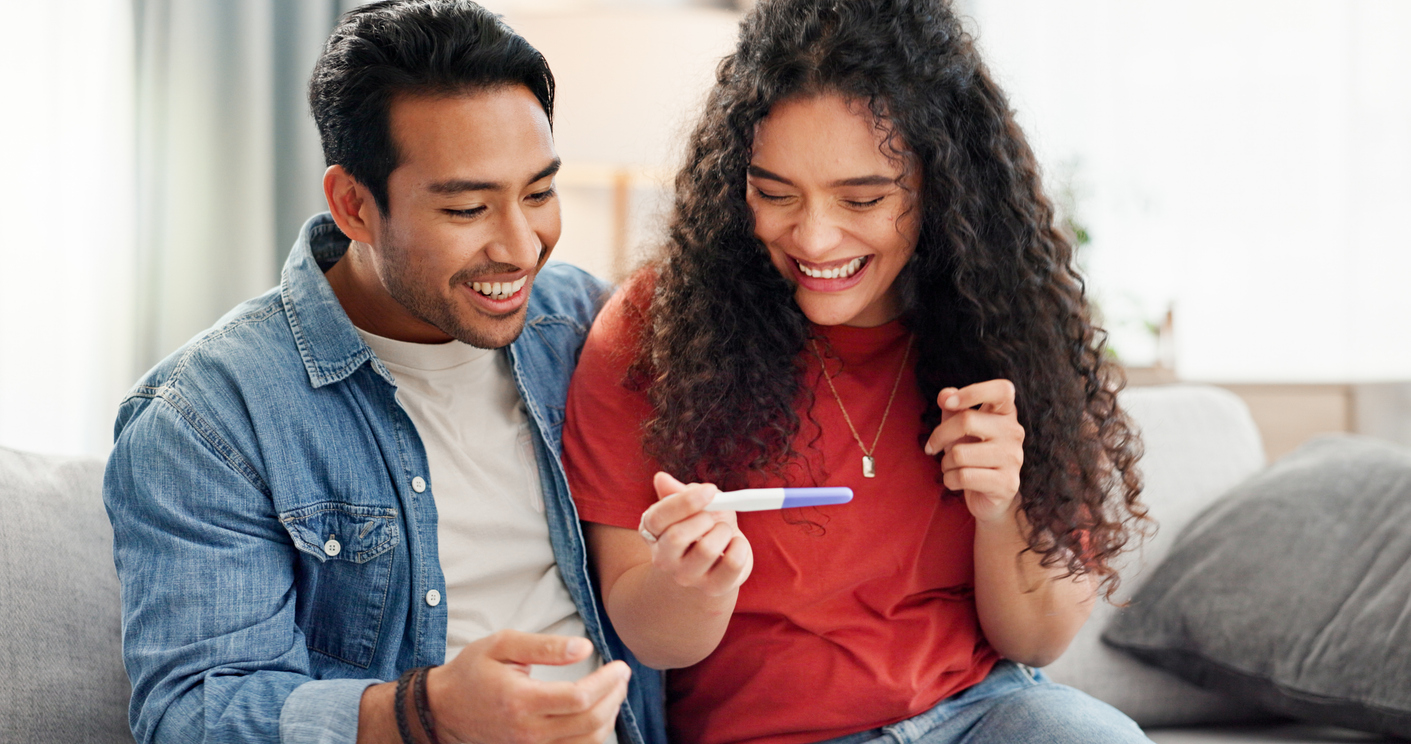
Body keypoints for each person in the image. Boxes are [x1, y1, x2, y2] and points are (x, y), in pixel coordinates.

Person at [562, 0, 1151, 742]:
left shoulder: (1010, 327)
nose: (812, 236)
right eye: (773, 193)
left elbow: (1035, 643)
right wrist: (688, 584)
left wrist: (1000, 510)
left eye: (862, 198)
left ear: (940, 185)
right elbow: (653, 639)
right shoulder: (660, 329)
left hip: (981, 714)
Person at [102, 2, 665, 743]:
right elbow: (191, 714)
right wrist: (421, 715)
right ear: (353, 206)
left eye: (538, 193)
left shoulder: (589, 329)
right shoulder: (204, 418)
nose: (523, 247)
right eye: (467, 208)